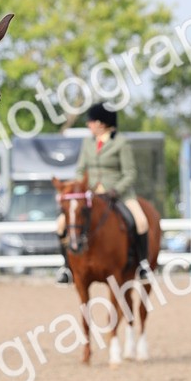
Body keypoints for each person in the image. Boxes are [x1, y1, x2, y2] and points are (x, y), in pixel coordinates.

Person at [55, 104, 152, 284]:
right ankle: (66, 267)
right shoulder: (88, 142)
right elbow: (80, 170)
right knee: (61, 224)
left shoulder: (121, 143)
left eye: (91, 121)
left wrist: (116, 190)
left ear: (101, 123)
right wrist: (76, 189)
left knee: (141, 222)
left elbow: (130, 173)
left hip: (118, 193)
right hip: (90, 194)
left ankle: (142, 265)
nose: (88, 125)